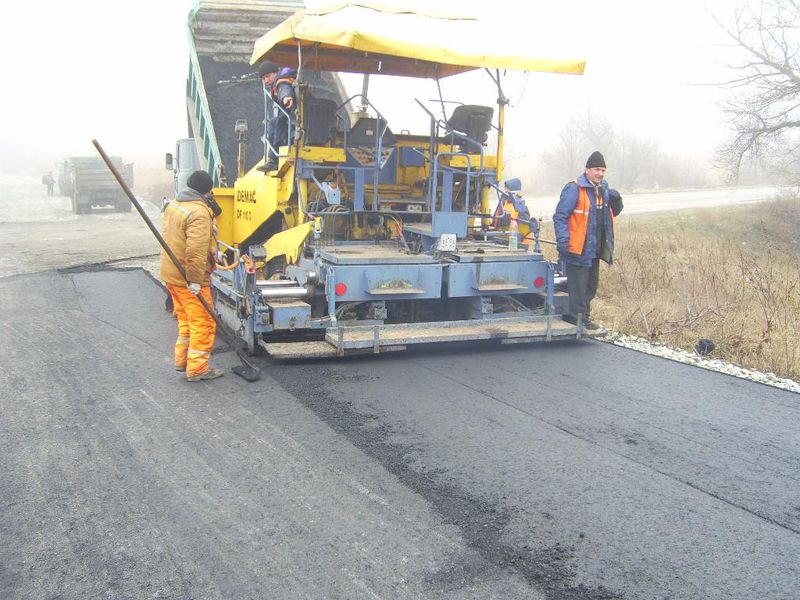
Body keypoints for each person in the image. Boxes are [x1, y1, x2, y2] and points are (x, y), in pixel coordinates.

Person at [159, 170, 224, 381]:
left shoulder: (176, 205)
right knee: (203, 323)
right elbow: (194, 252)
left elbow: (179, 239)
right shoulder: (199, 212)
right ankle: (197, 369)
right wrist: (195, 281)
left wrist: (213, 253)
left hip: (172, 275)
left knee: (186, 321)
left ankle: (182, 361)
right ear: (207, 190)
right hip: (189, 279)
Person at [553, 151, 617, 330]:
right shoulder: (574, 188)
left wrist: (617, 202)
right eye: (597, 169)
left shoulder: (602, 188)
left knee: (591, 285)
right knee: (578, 287)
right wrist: (563, 240)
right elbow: (560, 216)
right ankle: (577, 318)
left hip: (594, 248)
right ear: (587, 170)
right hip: (577, 247)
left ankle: (584, 316)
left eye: (603, 170)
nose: (600, 174)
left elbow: (607, 215)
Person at [258, 60, 297, 171]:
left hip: (292, 118)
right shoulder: (282, 81)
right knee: (275, 124)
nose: (266, 81)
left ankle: (273, 160)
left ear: (275, 73)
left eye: (267, 76)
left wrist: (286, 97)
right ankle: (273, 158)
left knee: (273, 125)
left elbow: (284, 90)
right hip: (289, 117)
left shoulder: (282, 81)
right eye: (263, 79)